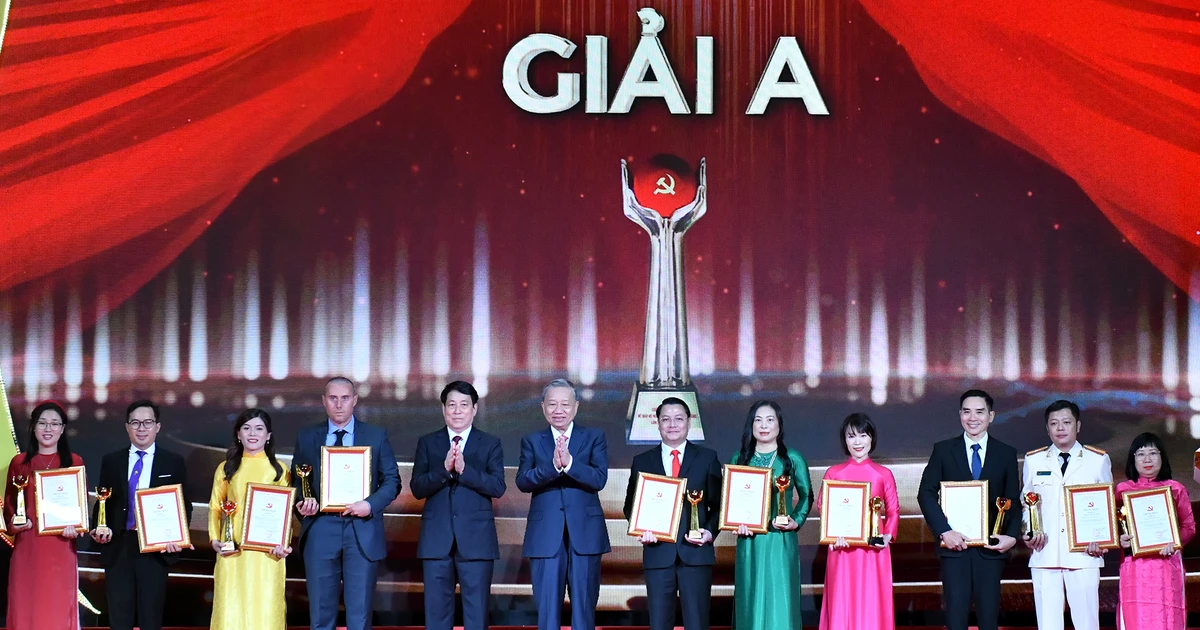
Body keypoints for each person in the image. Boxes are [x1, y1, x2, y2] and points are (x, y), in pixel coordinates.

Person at [291, 376, 401, 630]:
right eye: (333, 398)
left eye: (345, 398)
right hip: (320, 528)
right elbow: (298, 481)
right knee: (320, 613)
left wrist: (370, 505)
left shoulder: (376, 435)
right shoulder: (307, 437)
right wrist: (302, 503)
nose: (339, 404)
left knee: (360, 616)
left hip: (361, 529)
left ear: (355, 400)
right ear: (324, 401)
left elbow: (392, 481)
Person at [917, 389, 1021, 630]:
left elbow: (1012, 500)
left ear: (991, 416)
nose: (972, 417)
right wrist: (944, 531)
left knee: (989, 619)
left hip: (991, 549)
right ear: (959, 415)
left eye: (979, 412)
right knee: (955, 618)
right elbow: (926, 493)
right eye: (967, 411)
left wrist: (1012, 536)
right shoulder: (943, 450)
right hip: (954, 548)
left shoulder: (1005, 453)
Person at [411, 381, 506, 630]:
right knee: (437, 616)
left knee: (476, 616)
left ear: (474, 409)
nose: (457, 410)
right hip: (436, 542)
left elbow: (497, 487)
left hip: (476, 542)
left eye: (464, 405)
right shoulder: (428, 443)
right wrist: (443, 470)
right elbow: (418, 488)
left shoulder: (490, 443)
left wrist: (465, 471)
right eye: (451, 405)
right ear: (443, 409)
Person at [516, 378, 611, 630]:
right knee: (547, 613)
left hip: (586, 534)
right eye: (552, 404)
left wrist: (570, 465)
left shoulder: (593, 437)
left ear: (576, 407)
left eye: (565, 404)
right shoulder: (532, 441)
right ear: (542, 407)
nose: (559, 410)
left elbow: (599, 478)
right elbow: (523, 481)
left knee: (583, 610)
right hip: (546, 536)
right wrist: (552, 468)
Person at [89, 400, 192, 630]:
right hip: (119, 548)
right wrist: (99, 528)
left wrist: (177, 537)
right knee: (119, 620)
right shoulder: (111, 461)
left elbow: (183, 505)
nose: (141, 428)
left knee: (150, 620)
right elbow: (102, 502)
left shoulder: (173, 461)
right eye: (135, 422)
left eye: (147, 422)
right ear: (127, 427)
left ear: (158, 426)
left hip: (154, 551)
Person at [622, 398, 722, 630]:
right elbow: (630, 505)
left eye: (679, 419)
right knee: (659, 624)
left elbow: (718, 505)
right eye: (665, 419)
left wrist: (708, 531)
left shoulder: (707, 458)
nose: (672, 424)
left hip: (695, 555)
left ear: (689, 422)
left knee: (697, 624)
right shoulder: (642, 461)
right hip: (658, 554)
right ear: (657, 423)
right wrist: (641, 528)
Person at [1021, 400, 1111, 630]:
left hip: (1084, 554)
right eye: (1054, 423)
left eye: (1066, 422)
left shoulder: (1097, 460)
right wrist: (1029, 532)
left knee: (1086, 623)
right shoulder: (1034, 460)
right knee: (1048, 625)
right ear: (1047, 428)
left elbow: (1106, 507)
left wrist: (1102, 540)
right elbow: (1027, 505)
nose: (1060, 428)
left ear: (1078, 426)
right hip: (1045, 553)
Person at [730, 400, 812, 630]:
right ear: (751, 425)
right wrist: (735, 522)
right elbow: (731, 499)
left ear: (779, 425)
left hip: (780, 540)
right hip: (749, 541)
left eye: (770, 420)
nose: (763, 425)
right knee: (751, 597)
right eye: (758, 420)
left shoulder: (793, 458)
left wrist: (797, 520)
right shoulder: (739, 459)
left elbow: (807, 496)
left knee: (780, 600)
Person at [208, 408, 293, 629]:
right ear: (238, 434)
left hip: (266, 555)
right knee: (230, 611)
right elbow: (216, 507)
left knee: (264, 613)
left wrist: (282, 544)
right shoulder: (226, 469)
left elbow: (284, 514)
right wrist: (215, 539)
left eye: (259, 428)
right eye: (246, 428)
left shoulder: (279, 471)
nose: (252, 433)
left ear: (268, 435)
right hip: (232, 552)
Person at [5, 400, 85, 630]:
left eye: (54, 424)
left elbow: (79, 512)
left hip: (60, 549)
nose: (48, 429)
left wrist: (75, 527)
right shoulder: (19, 463)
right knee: (26, 611)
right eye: (42, 423)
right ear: (33, 427)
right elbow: (10, 507)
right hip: (27, 550)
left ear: (62, 429)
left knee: (56, 612)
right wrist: (14, 524)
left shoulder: (74, 462)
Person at [817, 413, 898, 630]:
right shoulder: (834, 473)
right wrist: (833, 535)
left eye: (863, 435)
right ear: (845, 440)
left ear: (872, 438)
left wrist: (888, 535)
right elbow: (823, 507)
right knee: (841, 600)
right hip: (842, 548)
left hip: (874, 550)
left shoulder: (883, 474)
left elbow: (893, 511)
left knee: (872, 601)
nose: (858, 442)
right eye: (852, 436)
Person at [1116, 432, 1196, 629]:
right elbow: (1113, 529)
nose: (1147, 459)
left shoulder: (1175, 489)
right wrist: (1120, 539)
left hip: (1167, 565)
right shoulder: (1122, 490)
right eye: (1140, 454)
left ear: (1162, 457)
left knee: (1167, 619)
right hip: (1134, 567)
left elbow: (1189, 526)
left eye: (1153, 453)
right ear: (1132, 459)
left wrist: (1175, 542)